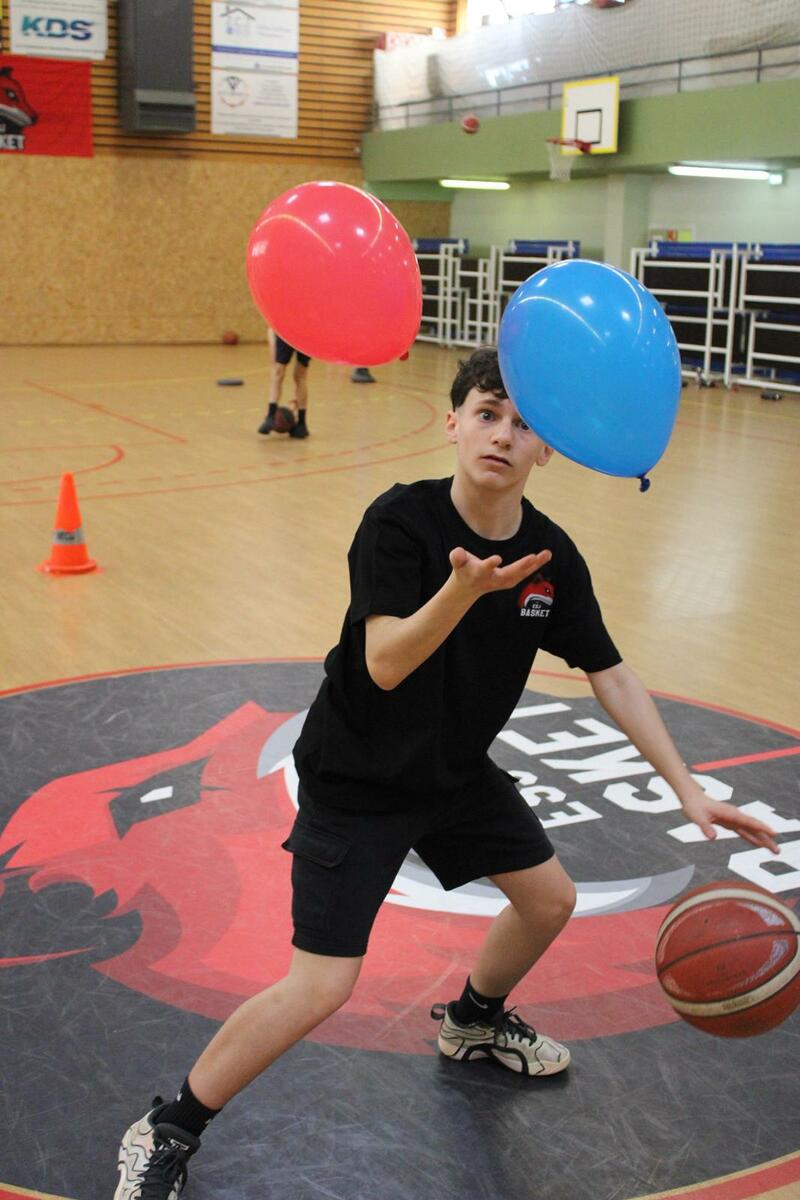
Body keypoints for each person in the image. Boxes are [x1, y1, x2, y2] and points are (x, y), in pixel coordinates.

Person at [116, 348, 778, 1198]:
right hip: (357, 777)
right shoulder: (401, 522)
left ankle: (473, 1021)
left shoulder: (550, 556)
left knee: (550, 900)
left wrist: (687, 788)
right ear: (453, 423)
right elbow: (385, 661)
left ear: (548, 449)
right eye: (488, 414)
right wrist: (464, 590)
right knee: (322, 985)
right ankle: (169, 1126)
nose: (502, 435)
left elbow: (609, 672)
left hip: (454, 773)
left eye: (524, 424)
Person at [258, 330, 310, 438]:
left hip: (307, 333)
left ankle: (302, 423)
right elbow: (272, 326)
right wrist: (273, 348)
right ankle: (271, 415)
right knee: (278, 370)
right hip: (287, 332)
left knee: (300, 375)